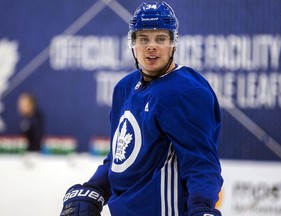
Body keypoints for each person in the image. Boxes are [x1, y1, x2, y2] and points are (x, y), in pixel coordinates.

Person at [60, 2, 223, 216]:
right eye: (143, 38)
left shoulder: (186, 91)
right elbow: (117, 158)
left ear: (173, 44)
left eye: (160, 39)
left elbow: (202, 163)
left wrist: (202, 208)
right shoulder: (124, 88)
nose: (151, 46)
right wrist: (95, 188)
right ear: (133, 44)